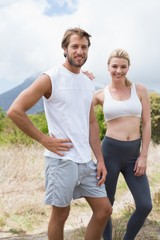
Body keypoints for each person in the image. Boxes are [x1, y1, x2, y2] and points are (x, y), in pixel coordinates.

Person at [7, 27, 112, 240]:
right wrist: (44, 139)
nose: (79, 51)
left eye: (84, 47)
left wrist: (99, 159)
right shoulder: (50, 78)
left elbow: (91, 122)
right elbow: (15, 110)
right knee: (61, 213)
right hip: (61, 161)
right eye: (74, 46)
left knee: (104, 211)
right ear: (65, 49)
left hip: (86, 161)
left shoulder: (86, 81)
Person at [93, 48, 152, 240]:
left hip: (134, 155)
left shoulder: (140, 90)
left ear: (129, 67)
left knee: (145, 205)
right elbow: (77, 107)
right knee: (106, 206)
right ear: (108, 67)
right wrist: (83, 80)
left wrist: (143, 155)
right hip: (109, 153)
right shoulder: (100, 94)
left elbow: (147, 122)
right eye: (114, 66)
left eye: (123, 66)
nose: (118, 70)